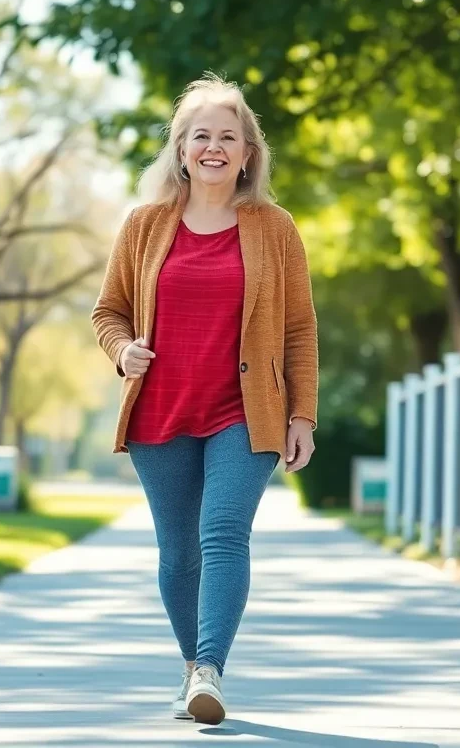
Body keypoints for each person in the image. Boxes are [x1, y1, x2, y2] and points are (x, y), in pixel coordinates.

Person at [90, 73, 319, 725]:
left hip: (245, 413)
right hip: (161, 408)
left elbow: (300, 327)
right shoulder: (144, 225)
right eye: (200, 136)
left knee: (222, 534)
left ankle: (211, 666)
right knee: (177, 550)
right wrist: (122, 349)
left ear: (248, 152)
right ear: (180, 148)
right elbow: (109, 311)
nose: (213, 147)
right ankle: (195, 670)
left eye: (228, 136)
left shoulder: (275, 228)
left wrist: (303, 413)